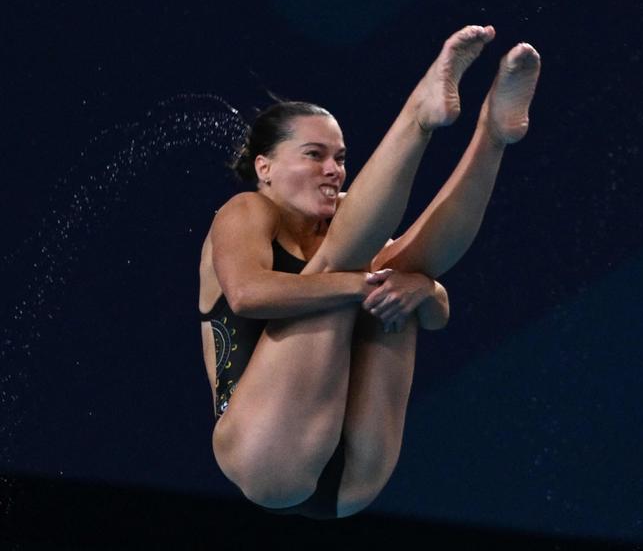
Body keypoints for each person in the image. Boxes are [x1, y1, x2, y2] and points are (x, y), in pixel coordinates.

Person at [197, 25, 542, 517]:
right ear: (264, 168)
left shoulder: (346, 231)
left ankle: (494, 135)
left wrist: (418, 285)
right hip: (266, 454)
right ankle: (418, 115)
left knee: (397, 268)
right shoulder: (246, 211)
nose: (334, 170)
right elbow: (249, 295)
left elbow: (437, 311)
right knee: (351, 269)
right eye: (314, 155)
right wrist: (366, 285)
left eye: (340, 158)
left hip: (355, 478)